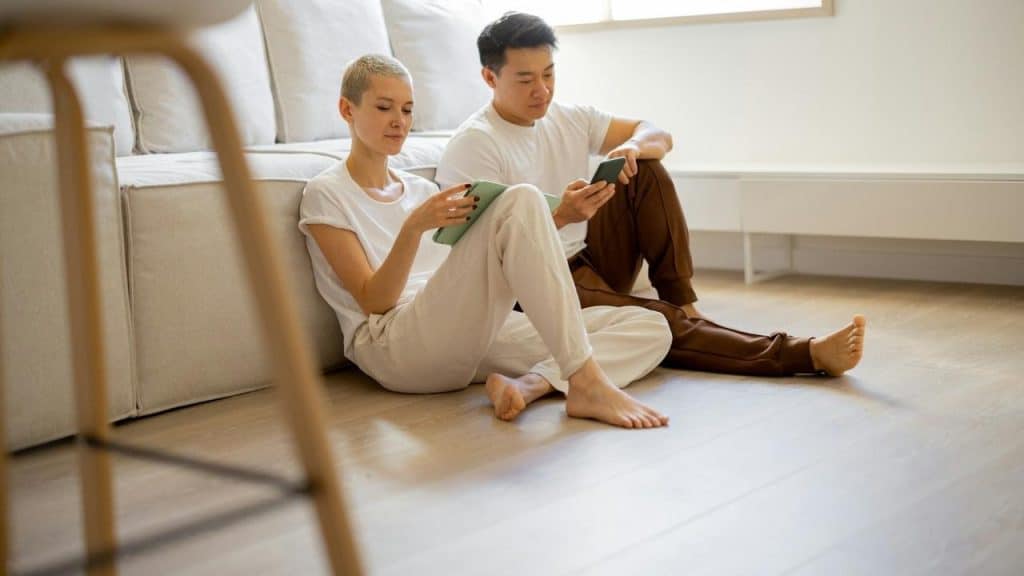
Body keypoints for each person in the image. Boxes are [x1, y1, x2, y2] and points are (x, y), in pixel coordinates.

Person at [436, 12, 866, 379]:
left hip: (588, 259)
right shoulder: (475, 144)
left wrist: (632, 148)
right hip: (531, 284)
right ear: (489, 77)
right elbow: (485, 254)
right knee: (653, 322)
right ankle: (801, 353)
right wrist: (562, 216)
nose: (542, 91)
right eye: (526, 79)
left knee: (645, 167)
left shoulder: (568, 117)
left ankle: (682, 298)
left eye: (549, 75)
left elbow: (659, 134)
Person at [299, 54, 676, 429]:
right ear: (347, 109)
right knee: (521, 197)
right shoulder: (326, 193)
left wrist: (561, 215)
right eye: (384, 107)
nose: (399, 121)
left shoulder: (419, 188)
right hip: (396, 346)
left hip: (464, 334)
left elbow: (475, 267)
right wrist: (413, 228)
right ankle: (586, 381)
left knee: (650, 326)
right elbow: (373, 301)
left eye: (408, 109)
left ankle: (531, 385)